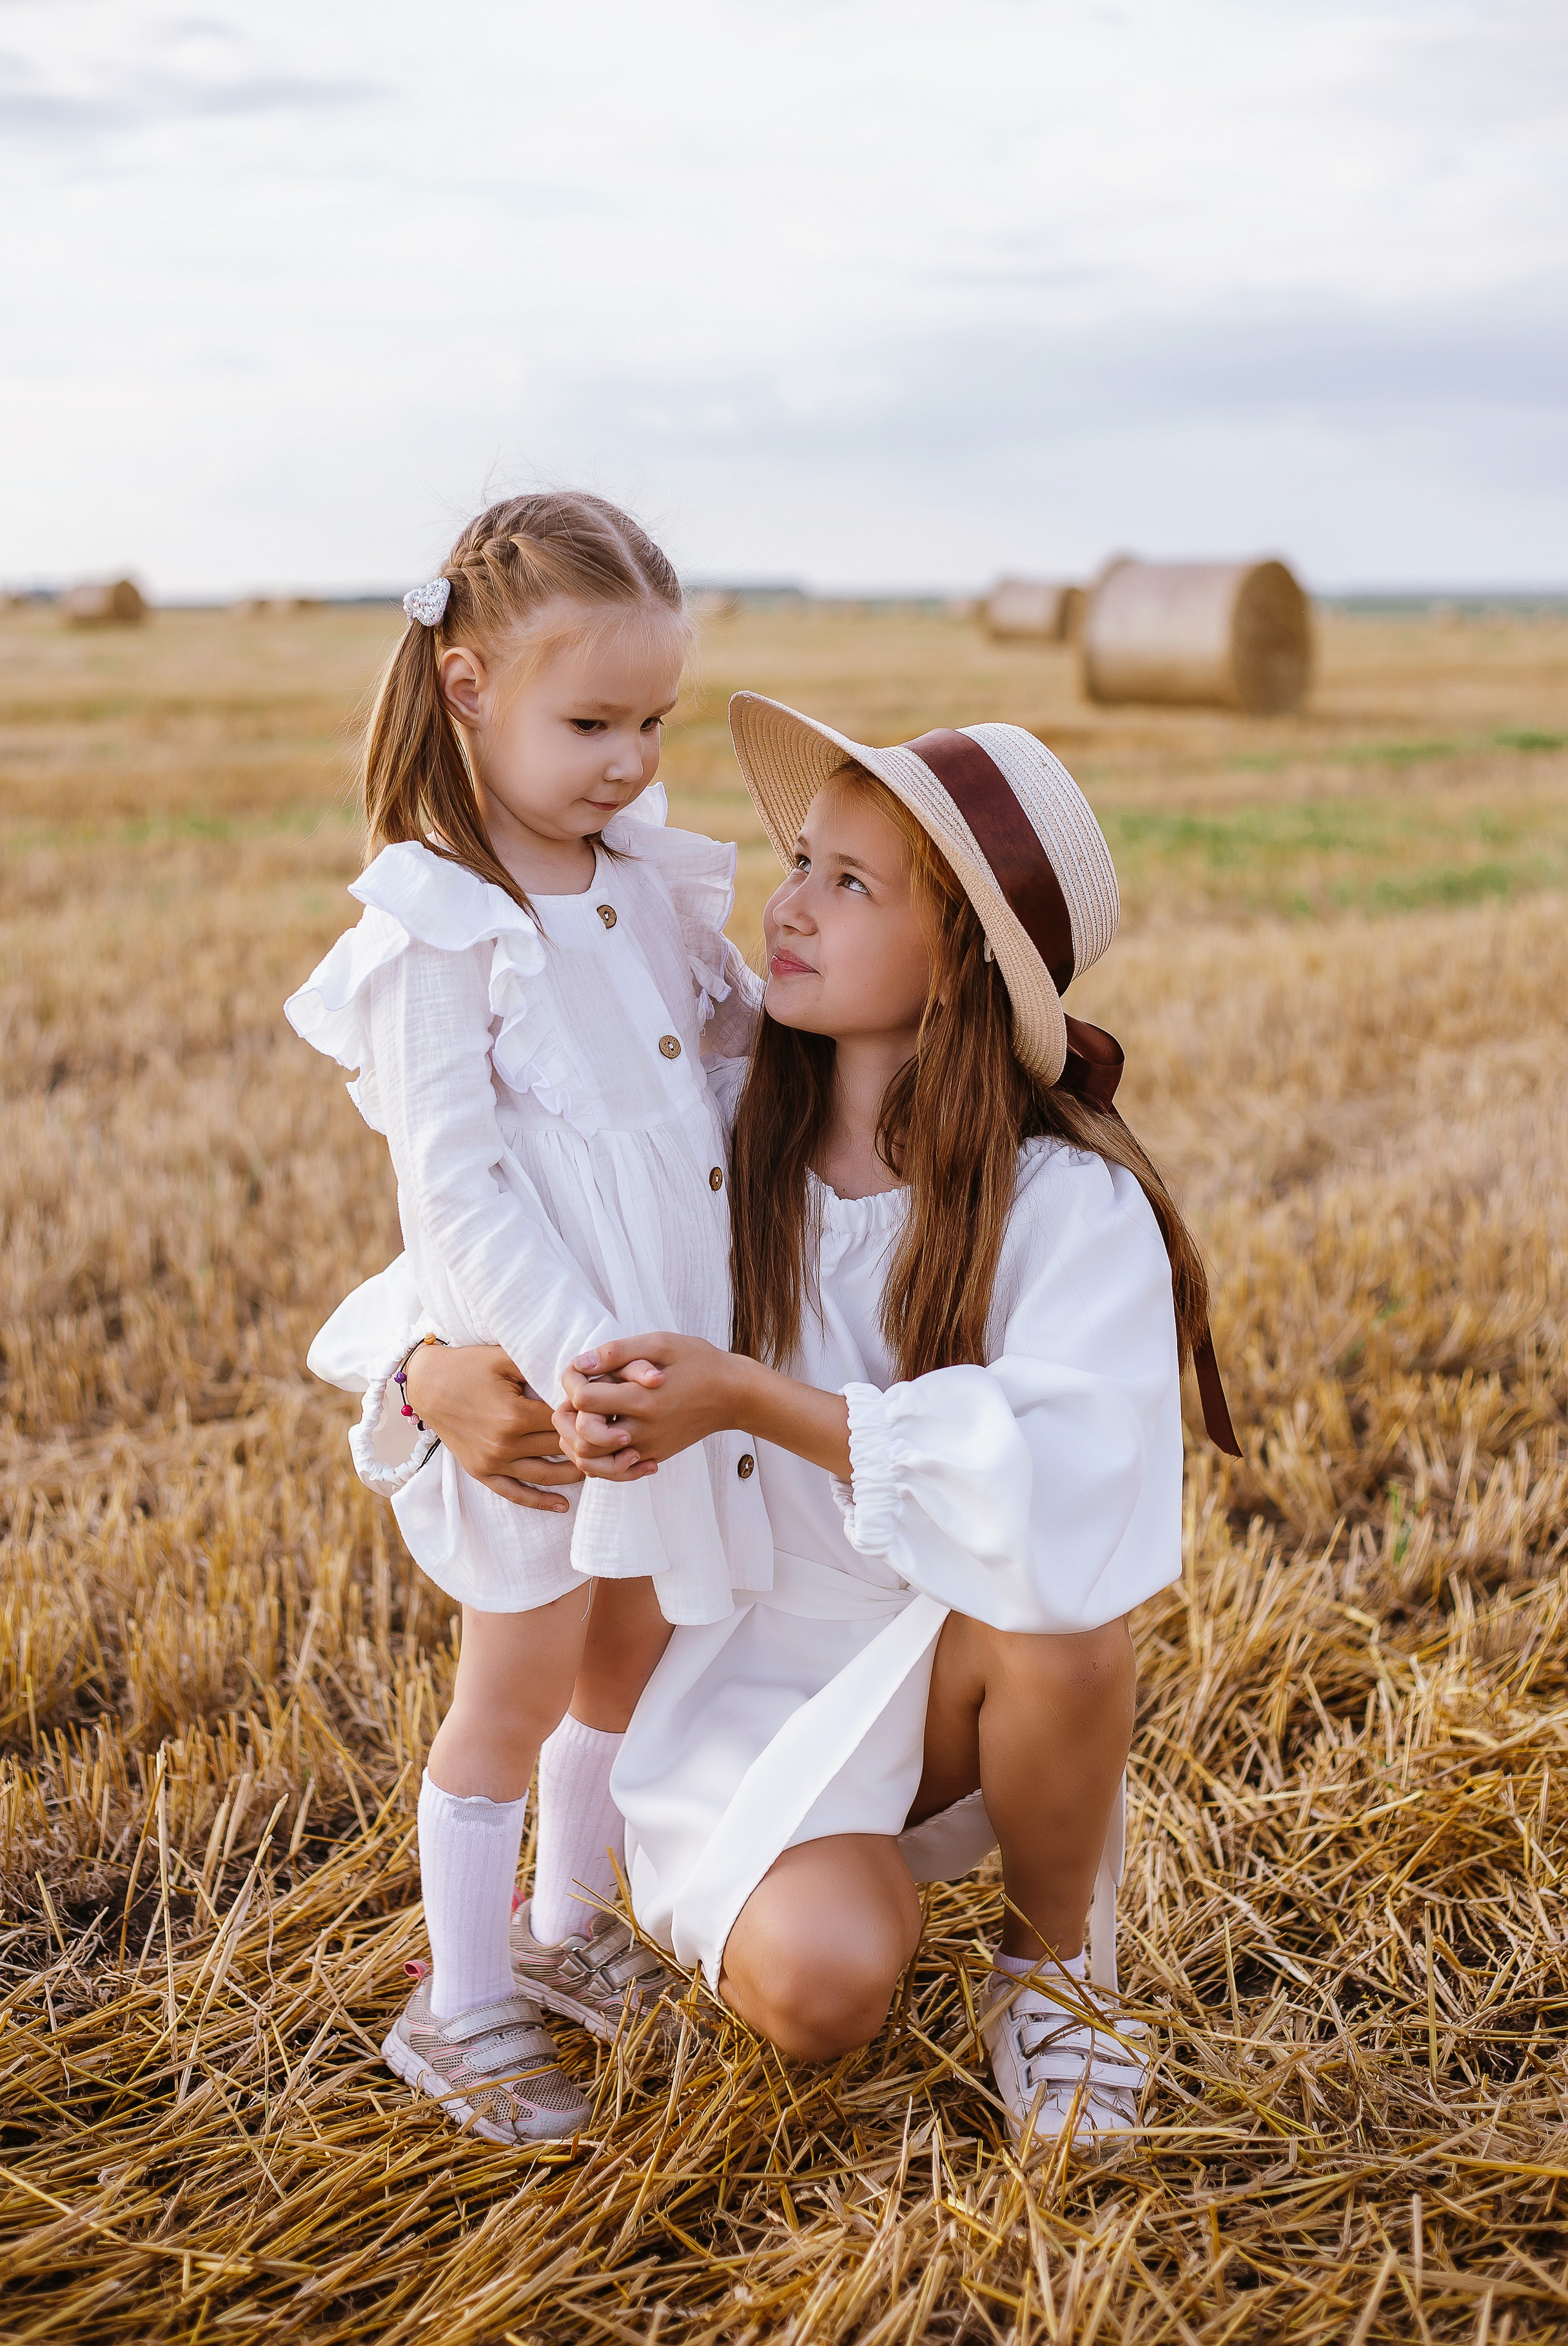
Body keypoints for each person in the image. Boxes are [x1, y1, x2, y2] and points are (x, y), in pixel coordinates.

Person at [542, 696, 1238, 2145]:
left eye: (848, 885)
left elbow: (1064, 1488)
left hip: (944, 1656)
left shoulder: (1063, 1204)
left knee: (1060, 1611)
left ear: (958, 962)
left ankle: (1055, 1977)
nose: (785, 908)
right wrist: (430, 1366)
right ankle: (768, 1882)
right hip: (731, 1658)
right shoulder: (716, 1136)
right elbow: (488, 1240)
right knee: (824, 1990)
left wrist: (748, 1399)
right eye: (800, 862)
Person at [284, 495, 770, 2147]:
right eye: (591, 722)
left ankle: (570, 1927)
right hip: (552, 1366)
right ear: (470, 685)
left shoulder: (641, 878)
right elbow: (458, 1188)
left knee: (629, 1652)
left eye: (651, 722)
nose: (629, 759)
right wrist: (576, 1359)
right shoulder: (438, 923)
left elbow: (720, 1073)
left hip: (666, 1354)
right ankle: (465, 1997)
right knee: (515, 1679)